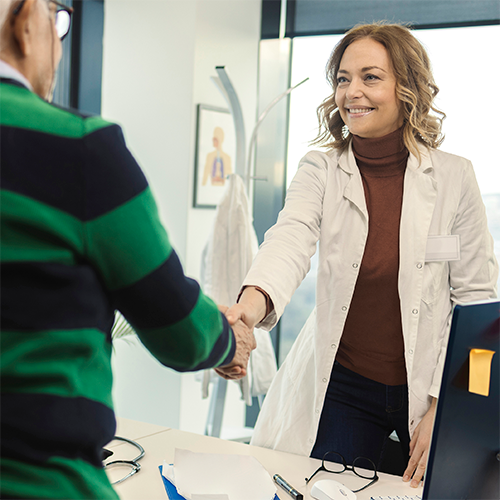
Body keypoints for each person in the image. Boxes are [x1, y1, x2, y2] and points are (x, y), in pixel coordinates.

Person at [0, 1, 254, 499]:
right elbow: (176, 326)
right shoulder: (77, 148)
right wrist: (230, 339)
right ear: (28, 21)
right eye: (58, 22)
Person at [226, 22, 498, 489]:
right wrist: (245, 313)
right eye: (342, 78)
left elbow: (480, 305)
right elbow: (288, 242)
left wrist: (452, 404)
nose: (352, 92)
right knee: (328, 491)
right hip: (345, 385)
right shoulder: (321, 169)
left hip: (432, 387)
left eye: (371, 77)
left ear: (406, 86)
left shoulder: (455, 178)